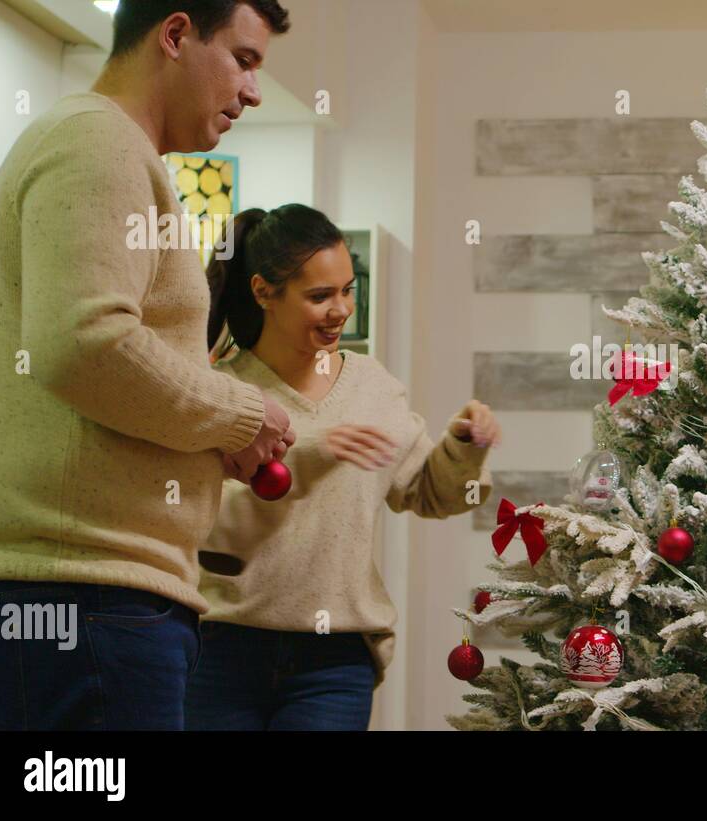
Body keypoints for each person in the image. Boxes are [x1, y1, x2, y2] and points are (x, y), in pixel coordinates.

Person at [0, 1, 295, 730]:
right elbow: (84, 343)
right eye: (243, 60)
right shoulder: (101, 143)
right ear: (176, 36)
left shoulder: (106, 148)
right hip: (89, 604)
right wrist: (240, 415)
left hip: (83, 603)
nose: (253, 92)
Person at [185, 204, 497, 730]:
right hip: (220, 651)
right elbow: (207, 528)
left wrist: (463, 445)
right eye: (320, 296)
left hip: (333, 663)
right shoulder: (221, 394)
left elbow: (430, 493)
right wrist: (310, 455)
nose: (341, 310)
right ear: (264, 292)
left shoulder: (371, 386)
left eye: (348, 290)